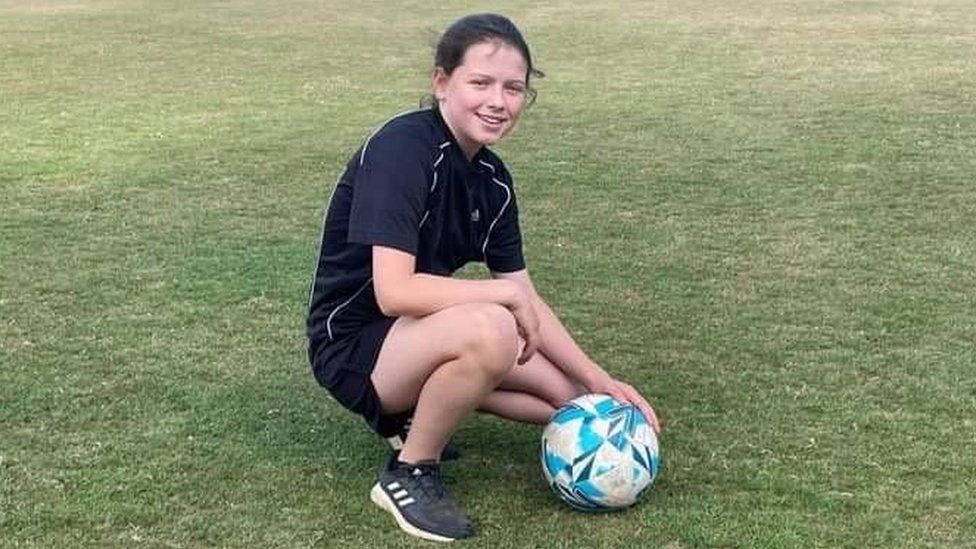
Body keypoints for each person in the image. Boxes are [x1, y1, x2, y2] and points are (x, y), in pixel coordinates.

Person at [306, 13, 660, 542]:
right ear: (442, 82)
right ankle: (411, 470)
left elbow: (526, 295)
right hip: (354, 347)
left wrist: (599, 381)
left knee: (573, 404)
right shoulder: (404, 148)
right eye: (481, 83)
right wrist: (499, 295)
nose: (498, 101)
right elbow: (393, 290)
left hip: (417, 334)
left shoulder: (492, 182)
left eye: (513, 89)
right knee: (494, 329)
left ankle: (416, 411)